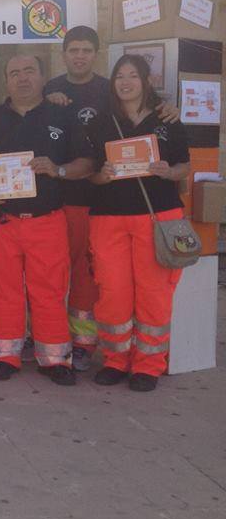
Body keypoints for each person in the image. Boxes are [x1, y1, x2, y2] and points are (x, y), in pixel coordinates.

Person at [44, 26, 177, 370]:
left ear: (96, 54)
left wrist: (170, 109)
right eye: (73, 50)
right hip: (61, 198)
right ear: (64, 54)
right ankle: (53, 335)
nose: (79, 56)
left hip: (102, 203)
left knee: (95, 279)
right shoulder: (51, 89)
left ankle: (88, 342)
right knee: (59, 275)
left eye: (86, 50)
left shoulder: (110, 90)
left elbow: (157, 118)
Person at [0, 55, 93, 386]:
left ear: (42, 77)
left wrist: (58, 169)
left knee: (49, 290)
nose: (22, 79)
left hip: (47, 220)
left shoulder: (63, 117)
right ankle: (5, 355)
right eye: (14, 73)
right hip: (1, 220)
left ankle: (55, 358)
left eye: (29, 71)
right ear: (5, 81)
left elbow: (88, 163)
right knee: (1, 288)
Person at [87, 54, 190, 392]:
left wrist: (168, 171)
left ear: (146, 81)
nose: (126, 81)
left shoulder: (167, 119)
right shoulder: (101, 121)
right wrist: (102, 175)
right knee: (113, 291)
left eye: (133, 75)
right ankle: (116, 359)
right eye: (120, 76)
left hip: (156, 215)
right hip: (109, 216)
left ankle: (148, 364)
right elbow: (92, 174)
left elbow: (183, 167)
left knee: (153, 292)